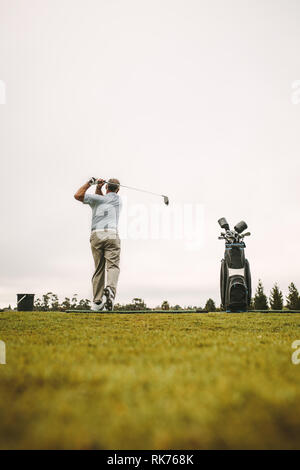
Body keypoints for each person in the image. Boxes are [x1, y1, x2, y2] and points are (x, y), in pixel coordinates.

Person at [74, 177, 122, 311]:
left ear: (107, 187)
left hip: (96, 234)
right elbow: (103, 199)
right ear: (118, 189)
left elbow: (78, 195)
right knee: (112, 266)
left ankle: (97, 301)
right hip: (111, 234)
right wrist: (99, 189)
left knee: (99, 268)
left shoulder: (96, 200)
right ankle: (110, 291)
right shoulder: (118, 200)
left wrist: (92, 183)